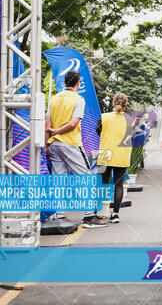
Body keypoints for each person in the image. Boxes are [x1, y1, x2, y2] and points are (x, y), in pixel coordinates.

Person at [45, 70, 107, 228]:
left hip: (54, 145)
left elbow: (47, 124)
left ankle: (59, 216)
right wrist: (58, 132)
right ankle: (89, 217)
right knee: (86, 178)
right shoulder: (78, 99)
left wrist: (47, 143)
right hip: (70, 143)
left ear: (65, 82)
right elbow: (73, 124)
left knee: (58, 181)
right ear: (78, 83)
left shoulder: (54, 99)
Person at [96, 93, 132, 224]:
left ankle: (99, 212)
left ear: (113, 103)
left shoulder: (104, 117)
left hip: (106, 153)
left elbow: (98, 130)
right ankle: (115, 214)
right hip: (122, 155)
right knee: (118, 185)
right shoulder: (130, 120)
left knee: (102, 183)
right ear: (126, 104)